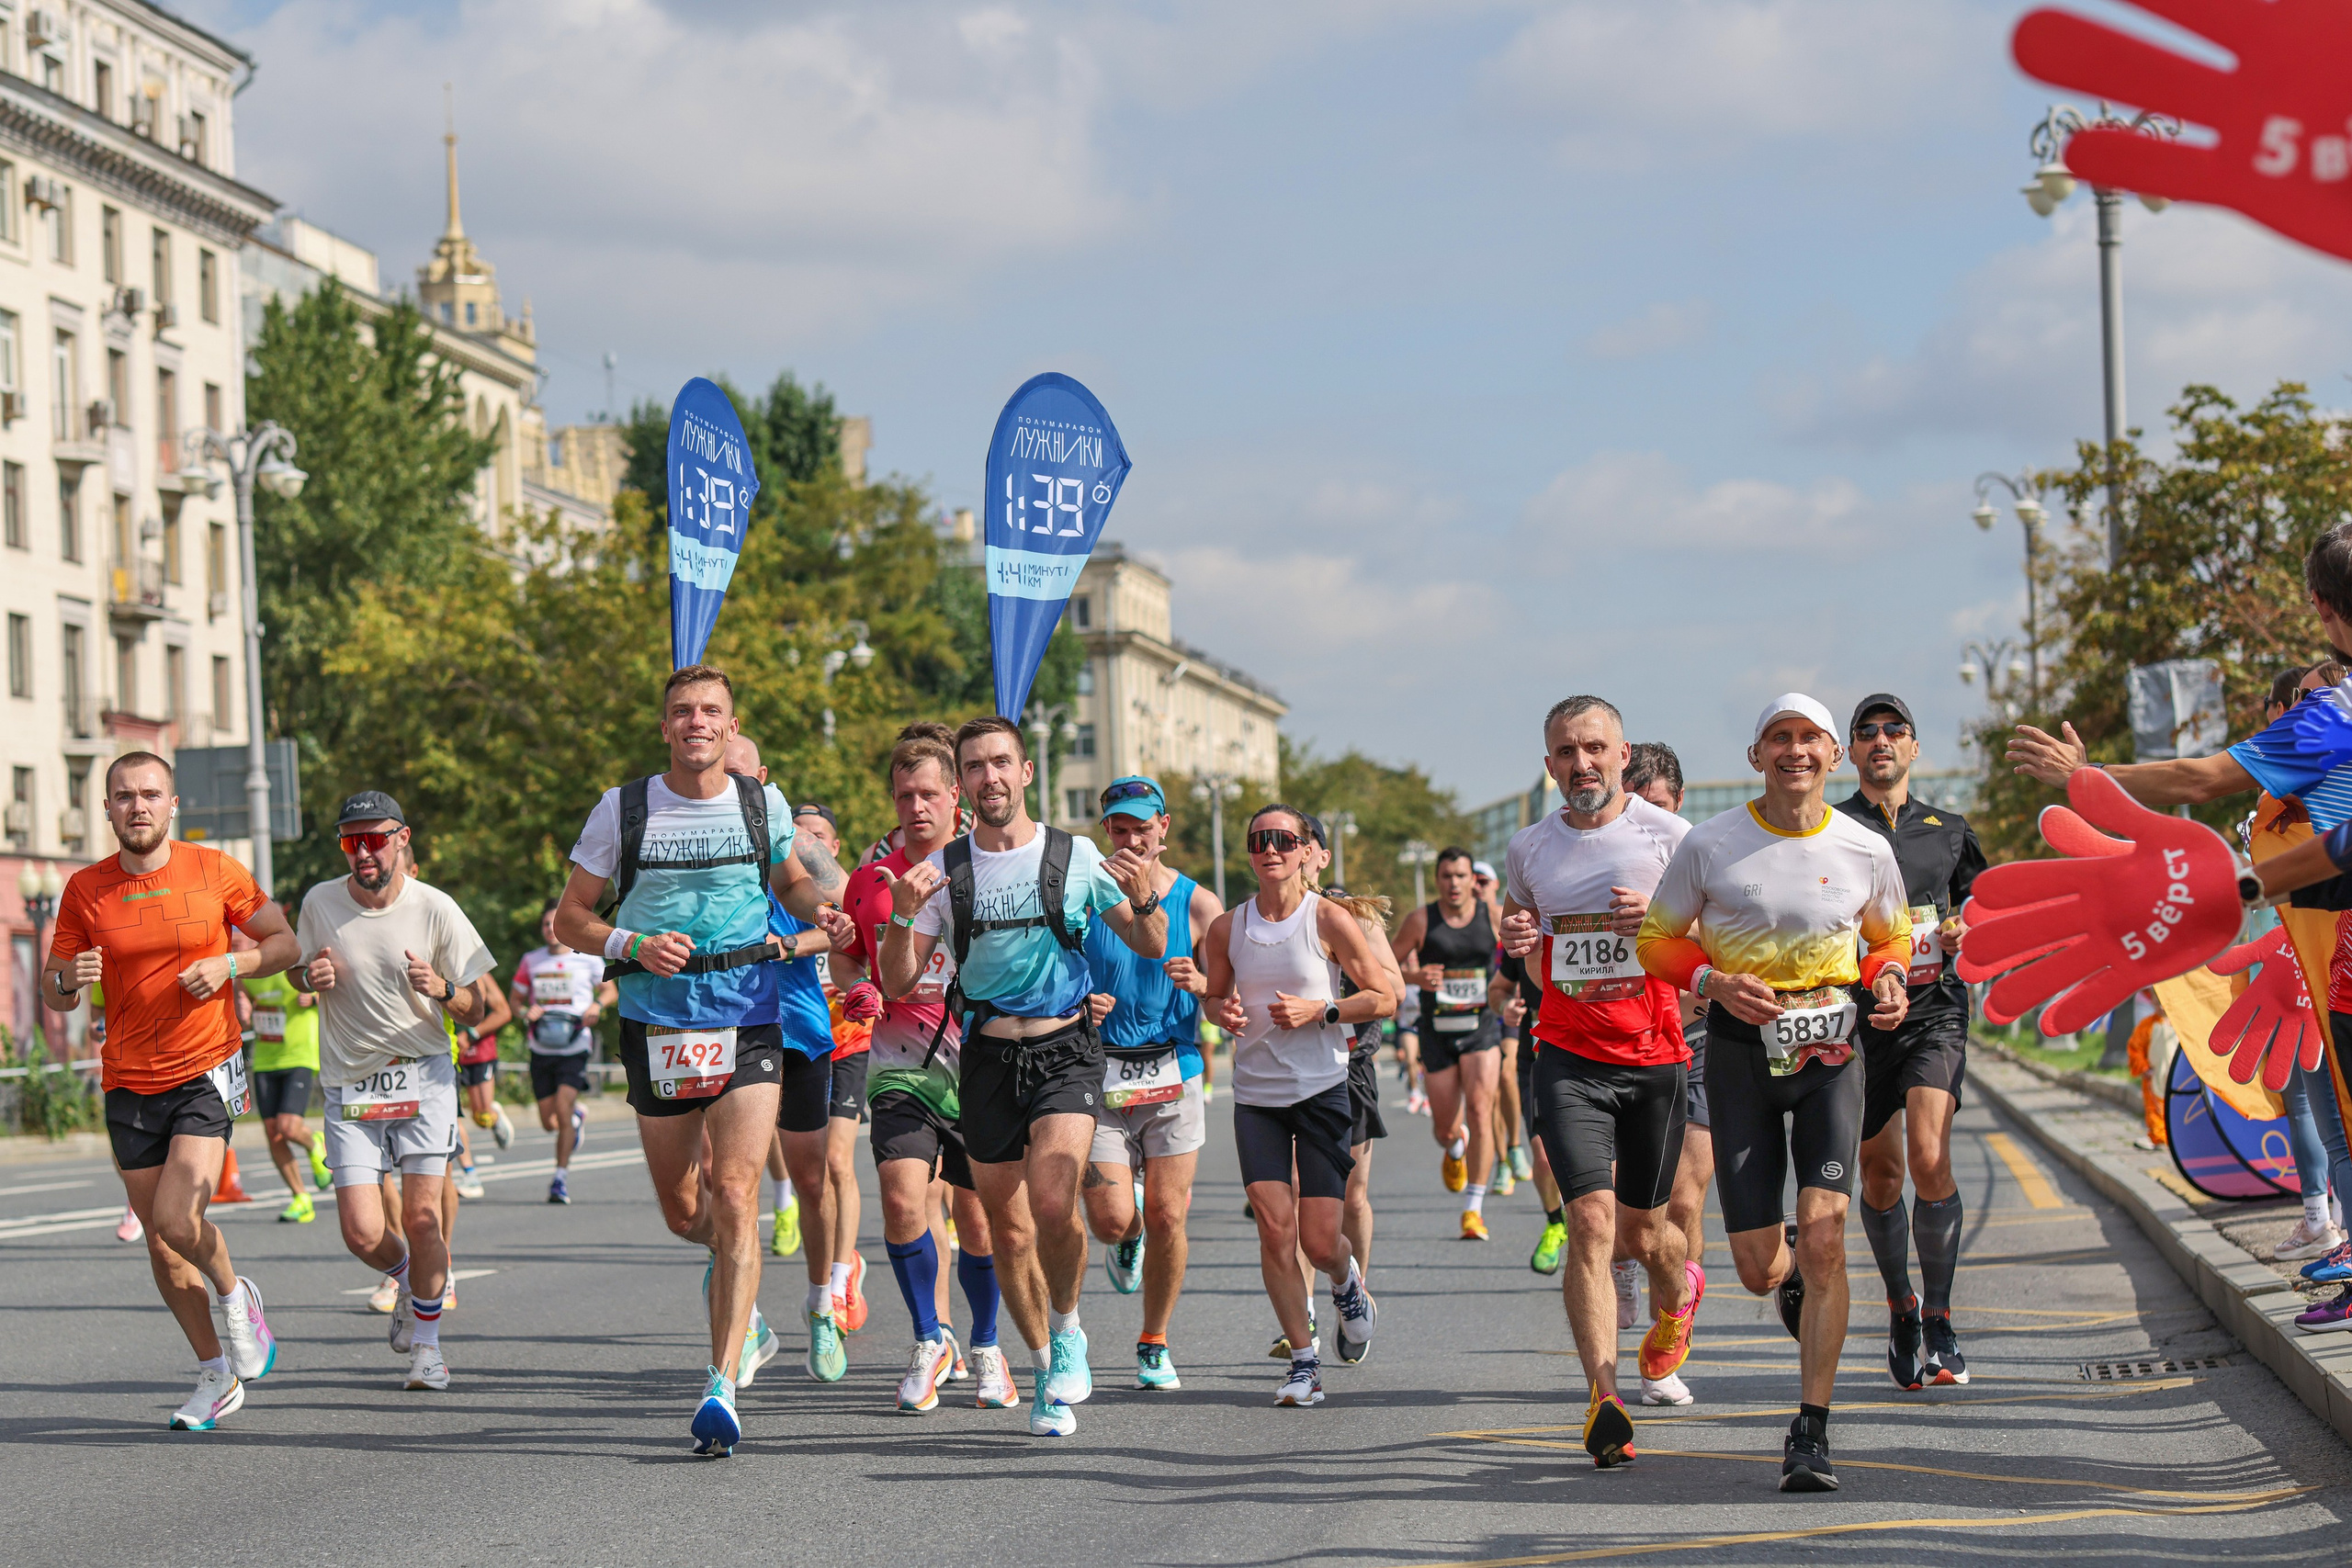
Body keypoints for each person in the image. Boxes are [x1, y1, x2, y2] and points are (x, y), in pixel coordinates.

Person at [550, 664, 850, 1456]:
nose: (696, 722)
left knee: (737, 1188)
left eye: (710, 710)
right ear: (665, 727)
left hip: (749, 1013)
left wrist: (826, 911)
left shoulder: (761, 803)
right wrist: (633, 944)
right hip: (655, 1022)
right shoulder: (625, 808)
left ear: (730, 723)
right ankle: (733, 1275)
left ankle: (722, 1376)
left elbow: (791, 878)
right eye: (682, 711)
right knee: (689, 1211)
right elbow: (569, 918)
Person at [1636, 694, 1912, 1493]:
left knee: (1828, 1237)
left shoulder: (1864, 845)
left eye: (1809, 740)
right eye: (1779, 739)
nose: (1795, 752)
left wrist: (1886, 975)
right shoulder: (1712, 842)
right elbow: (1656, 937)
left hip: (1830, 1052)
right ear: (1758, 756)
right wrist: (1710, 978)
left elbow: (1887, 933)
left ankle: (1811, 1430)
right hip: (1739, 1055)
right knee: (1760, 1267)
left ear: (1833, 756)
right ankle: (1787, 1267)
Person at [875, 715, 1166, 1438]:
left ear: (1027, 771)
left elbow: (1149, 940)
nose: (990, 777)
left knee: (1053, 1195)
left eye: (1001, 762)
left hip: (1065, 1048)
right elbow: (899, 978)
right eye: (975, 767)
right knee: (1007, 1232)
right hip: (987, 1056)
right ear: (963, 783)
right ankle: (1043, 1371)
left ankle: (1067, 1327)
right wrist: (901, 918)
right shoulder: (948, 871)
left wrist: (1147, 898)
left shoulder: (1074, 856)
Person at [42, 751, 298, 1430]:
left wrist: (232, 963)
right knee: (160, 1245)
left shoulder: (214, 870)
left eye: (150, 793)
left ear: (173, 802)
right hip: (127, 1079)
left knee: (178, 1221)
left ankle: (234, 1290)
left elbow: (285, 943)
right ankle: (215, 1371)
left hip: (205, 1068)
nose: (138, 806)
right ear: (107, 809)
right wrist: (73, 976)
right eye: (123, 796)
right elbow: (55, 990)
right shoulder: (85, 889)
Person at [1497, 697, 1700, 1469]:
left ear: (1621, 755)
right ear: (1549, 764)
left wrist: (1656, 922)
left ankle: (1679, 1294)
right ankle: (1603, 1397)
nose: (1581, 763)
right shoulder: (1529, 849)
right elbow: (1527, 944)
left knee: (1646, 1234)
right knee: (1591, 1223)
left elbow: (1712, 933)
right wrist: (1516, 938)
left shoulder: (1671, 837)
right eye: (1565, 752)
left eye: (1594, 748)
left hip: (1654, 1056)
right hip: (1568, 1055)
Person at [833, 724, 1013, 1414]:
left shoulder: (985, 869)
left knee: (980, 1216)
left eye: (929, 793)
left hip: (984, 1063)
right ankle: (928, 1338)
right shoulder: (868, 881)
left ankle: (990, 1344)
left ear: (956, 799)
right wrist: (857, 982)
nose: (916, 806)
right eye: (905, 794)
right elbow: (849, 957)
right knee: (905, 1197)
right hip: (900, 1066)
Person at [294, 790, 499, 1394]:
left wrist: (441, 987)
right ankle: (409, 1277)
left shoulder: (435, 907)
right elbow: (295, 968)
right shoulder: (319, 902)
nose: (362, 850)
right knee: (361, 1231)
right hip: (350, 1081)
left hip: (423, 1071)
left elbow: (478, 1005)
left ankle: (429, 1349)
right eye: (350, 840)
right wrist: (309, 975)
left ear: (402, 839)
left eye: (374, 838)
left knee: (422, 1216)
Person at [1201, 804, 1392, 1405]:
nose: (1271, 847)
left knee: (1318, 1240)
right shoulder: (1227, 926)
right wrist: (1221, 1011)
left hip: (1320, 1090)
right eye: (1260, 838)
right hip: (1255, 1096)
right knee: (1273, 1227)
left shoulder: (1328, 918)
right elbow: (1213, 997)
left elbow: (1383, 996)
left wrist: (1322, 1011)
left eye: (1284, 838)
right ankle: (1304, 1363)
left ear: (1307, 848)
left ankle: (1346, 1282)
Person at [1832, 693, 1988, 1392]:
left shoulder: (1948, 829)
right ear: (1851, 752)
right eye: (1867, 731)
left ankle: (1942, 1317)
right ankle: (1901, 1306)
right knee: (1882, 1173)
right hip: (1858, 1020)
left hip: (1934, 1011)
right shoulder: (1832, 830)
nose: (1881, 739)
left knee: (1928, 1155)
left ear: (1914, 748)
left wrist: (1967, 928)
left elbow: (1988, 906)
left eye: (1895, 729)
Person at [1080, 775, 1223, 1390]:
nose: (1132, 838)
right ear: (1105, 830)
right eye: (1120, 827)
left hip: (1175, 1067)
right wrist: (1082, 1001)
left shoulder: (1198, 902)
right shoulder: (1086, 893)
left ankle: (1154, 1339)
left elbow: (1228, 1000)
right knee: (1112, 1220)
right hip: (1100, 1069)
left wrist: (1204, 986)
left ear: (1165, 826)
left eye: (1143, 826)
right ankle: (1126, 1234)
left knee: (1169, 1214)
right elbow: (1056, 971)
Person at [725, 736, 846, 1386]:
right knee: (727, 1186)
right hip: (722, 1027)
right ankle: (743, 1324)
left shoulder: (796, 843)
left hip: (795, 1027)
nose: (728, 782)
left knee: (812, 1179)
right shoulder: (690, 838)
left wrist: (787, 944)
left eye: (741, 772)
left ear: (763, 779)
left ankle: (822, 1303)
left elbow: (846, 914)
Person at [1622, 739, 1706, 1407]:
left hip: (1697, 1043)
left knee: (1683, 1199)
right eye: (1634, 806)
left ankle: (1668, 1334)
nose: (1645, 820)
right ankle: (1632, 1259)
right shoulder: (1600, 858)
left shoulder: (1702, 858)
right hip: (1622, 1045)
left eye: (1657, 806)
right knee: (1629, 1214)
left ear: (1677, 804)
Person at [1393, 847, 1502, 1238]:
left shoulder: (1492, 915)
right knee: (1445, 1128)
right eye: (1446, 876)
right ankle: (1455, 1148)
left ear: (1473, 880)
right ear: (1437, 880)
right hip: (1437, 1032)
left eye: (1460, 876)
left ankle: (1473, 1209)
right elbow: (1386, 968)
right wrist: (1416, 977)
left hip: (1481, 1027)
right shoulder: (1422, 920)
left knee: (1480, 1109)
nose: (1453, 884)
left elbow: (1522, 956)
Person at [797, 801, 873, 1338]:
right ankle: (840, 1259)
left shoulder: (849, 895)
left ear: (835, 845)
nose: (808, 844)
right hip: (799, 1042)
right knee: (809, 1171)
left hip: (850, 1041)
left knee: (839, 1160)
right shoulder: (783, 893)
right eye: (798, 835)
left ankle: (842, 1276)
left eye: (818, 836)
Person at [511, 902, 613, 1204]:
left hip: (574, 1044)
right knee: (548, 1121)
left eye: (554, 923)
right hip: (541, 1046)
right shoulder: (531, 960)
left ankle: (560, 1180)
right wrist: (525, 1011)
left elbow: (610, 991)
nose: (550, 930)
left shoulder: (588, 959)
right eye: (545, 925)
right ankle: (577, 1117)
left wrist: (597, 1005)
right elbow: (515, 1000)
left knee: (563, 1110)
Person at [239, 926, 331, 1223]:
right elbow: (241, 1007)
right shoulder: (243, 974)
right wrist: (243, 1010)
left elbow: (327, 987)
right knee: (273, 1133)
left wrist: (314, 997)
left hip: (299, 1055)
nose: (237, 945)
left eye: (242, 940)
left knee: (289, 1127)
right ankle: (300, 1197)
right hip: (266, 1059)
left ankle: (315, 1142)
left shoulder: (288, 961)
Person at [1476, 859, 1530, 1194]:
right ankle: (1502, 1162)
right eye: (1474, 882)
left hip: (1505, 1004)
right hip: (1475, 1012)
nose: (1477, 887)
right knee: (1490, 1089)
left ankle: (1513, 1145)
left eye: (1484, 881)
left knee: (1506, 1074)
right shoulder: (1456, 919)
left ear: (1496, 885)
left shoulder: (1504, 917)